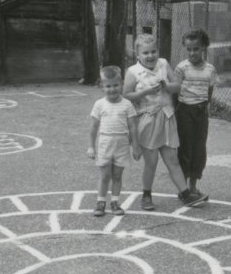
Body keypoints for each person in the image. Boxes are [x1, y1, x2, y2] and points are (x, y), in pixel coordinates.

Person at [123, 34, 208, 211]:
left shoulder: (163, 64)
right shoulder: (133, 71)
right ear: (137, 54)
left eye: (153, 51)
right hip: (147, 120)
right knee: (151, 162)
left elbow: (177, 86)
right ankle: (146, 194)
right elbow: (126, 95)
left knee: (172, 160)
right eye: (145, 53)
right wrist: (145, 92)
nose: (150, 56)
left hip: (167, 117)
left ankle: (185, 194)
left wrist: (166, 86)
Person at [87, 65, 141, 217]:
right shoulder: (99, 104)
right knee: (105, 176)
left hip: (122, 144)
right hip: (105, 143)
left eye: (116, 85)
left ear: (122, 83)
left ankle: (115, 202)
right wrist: (91, 147)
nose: (112, 89)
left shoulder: (127, 105)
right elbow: (93, 127)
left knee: (117, 176)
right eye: (108, 86)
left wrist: (136, 147)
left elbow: (133, 127)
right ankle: (100, 202)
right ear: (102, 86)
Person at [174, 28, 220, 197]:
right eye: (189, 49)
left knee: (199, 149)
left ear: (204, 48)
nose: (192, 53)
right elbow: (174, 92)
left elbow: (209, 92)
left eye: (196, 49)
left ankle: (193, 186)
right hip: (184, 112)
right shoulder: (181, 68)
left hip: (201, 113)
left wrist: (203, 108)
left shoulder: (210, 69)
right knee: (185, 149)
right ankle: (183, 189)